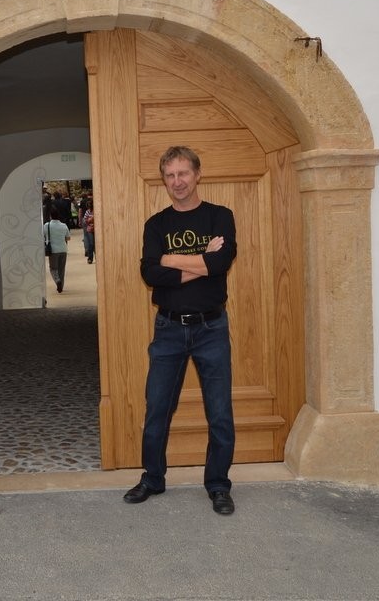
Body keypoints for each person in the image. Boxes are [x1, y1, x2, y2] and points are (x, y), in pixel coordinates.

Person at [124, 145, 238, 516]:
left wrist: (172, 261)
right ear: (164, 180)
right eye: (170, 175)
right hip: (169, 329)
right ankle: (153, 478)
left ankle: (218, 485)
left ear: (197, 174)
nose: (178, 181)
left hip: (211, 327)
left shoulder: (220, 216)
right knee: (157, 407)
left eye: (183, 173)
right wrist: (202, 261)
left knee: (219, 412)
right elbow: (150, 272)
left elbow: (222, 262)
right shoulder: (156, 225)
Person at [44, 207, 71, 293]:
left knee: (53, 268)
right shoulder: (64, 225)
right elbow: (68, 238)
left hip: (53, 250)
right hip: (63, 249)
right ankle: (61, 286)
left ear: (50, 216)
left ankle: (57, 280)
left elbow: (43, 235)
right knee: (61, 269)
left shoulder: (47, 225)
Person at [82, 200, 95, 264]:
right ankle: (90, 258)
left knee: (96, 244)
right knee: (91, 244)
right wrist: (90, 219)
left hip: (96, 230)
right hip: (90, 229)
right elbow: (85, 221)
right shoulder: (87, 212)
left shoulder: (96, 211)